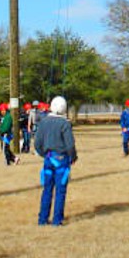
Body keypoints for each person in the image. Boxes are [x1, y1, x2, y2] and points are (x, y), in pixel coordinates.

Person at [34, 95, 78, 226]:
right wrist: (73, 157)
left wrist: (44, 154)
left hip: (48, 160)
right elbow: (70, 144)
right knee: (60, 190)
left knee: (47, 189)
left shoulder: (43, 122)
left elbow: (37, 143)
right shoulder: (65, 123)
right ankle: (57, 220)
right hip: (62, 160)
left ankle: (42, 219)